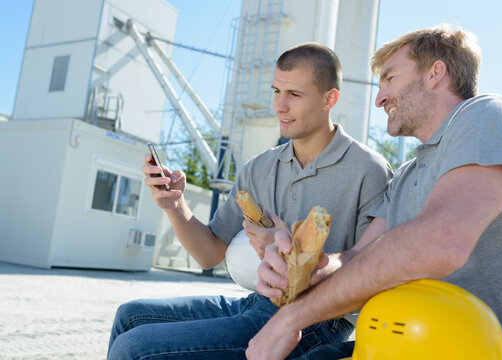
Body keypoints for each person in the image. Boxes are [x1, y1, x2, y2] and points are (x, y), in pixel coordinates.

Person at [248, 24, 502, 360]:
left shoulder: (488, 115)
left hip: (490, 349)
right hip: (403, 343)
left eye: (390, 78)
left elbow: (441, 240)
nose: (379, 97)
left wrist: (293, 318)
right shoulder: (405, 177)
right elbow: (358, 258)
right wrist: (306, 268)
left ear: (436, 74)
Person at [107, 43, 393, 359]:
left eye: (294, 95)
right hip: (258, 302)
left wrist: (293, 252)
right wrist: (174, 205)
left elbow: (371, 268)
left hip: (319, 320)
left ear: (330, 99)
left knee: (134, 348)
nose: (280, 106)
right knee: (129, 316)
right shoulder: (259, 168)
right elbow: (209, 254)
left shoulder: (369, 170)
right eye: (276, 91)